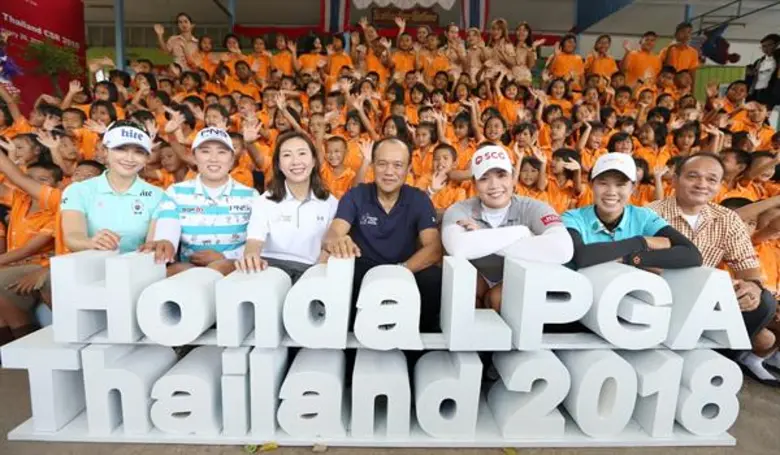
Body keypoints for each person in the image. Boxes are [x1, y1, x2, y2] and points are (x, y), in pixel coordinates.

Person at [647, 153, 778, 385]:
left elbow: (748, 269)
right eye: (693, 176)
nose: (702, 184)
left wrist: (752, 287)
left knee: (764, 302)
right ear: (675, 180)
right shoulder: (650, 213)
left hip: (702, 306)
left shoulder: (727, 220)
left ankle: (710, 364)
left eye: (711, 179)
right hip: (658, 298)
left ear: (719, 185)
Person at [321, 137, 443, 332]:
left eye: (397, 165)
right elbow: (333, 232)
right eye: (382, 164)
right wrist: (337, 241)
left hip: (405, 269)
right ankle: (349, 337)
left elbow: (434, 248)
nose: (389, 172)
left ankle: (418, 338)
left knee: (433, 278)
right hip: (363, 270)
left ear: (408, 168)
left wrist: (399, 271)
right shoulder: (356, 195)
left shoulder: (419, 199)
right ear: (373, 166)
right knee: (343, 272)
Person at [441, 145, 573, 311]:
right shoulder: (459, 209)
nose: (494, 185)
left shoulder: (534, 207)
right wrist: (524, 233)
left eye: (501, 175)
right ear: (474, 183)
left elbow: (563, 249)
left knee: (500, 299)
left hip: (517, 279)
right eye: (484, 178)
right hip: (476, 280)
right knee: (464, 293)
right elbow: (458, 246)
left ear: (512, 177)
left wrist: (481, 235)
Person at [139, 127, 258, 276]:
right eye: (205, 151)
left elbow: (258, 243)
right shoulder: (175, 192)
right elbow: (167, 231)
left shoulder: (251, 196)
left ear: (232, 159)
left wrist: (225, 258)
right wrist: (166, 243)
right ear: (194, 157)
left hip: (236, 273)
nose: (213, 158)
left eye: (222, 152)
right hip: (189, 272)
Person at [563, 153, 702, 270]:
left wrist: (631, 259)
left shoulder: (644, 216)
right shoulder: (572, 218)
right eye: (603, 183)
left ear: (633, 188)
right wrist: (641, 242)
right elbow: (580, 256)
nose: (611, 192)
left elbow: (692, 255)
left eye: (620, 185)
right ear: (591, 185)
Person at [235, 131, 338, 282]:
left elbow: (329, 246)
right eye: (287, 155)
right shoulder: (264, 201)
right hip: (270, 269)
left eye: (302, 153)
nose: (296, 161)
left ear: (314, 160)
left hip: (310, 270)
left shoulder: (330, 203)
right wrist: (251, 255)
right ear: (278, 165)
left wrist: (313, 277)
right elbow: (254, 241)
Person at [61, 121, 163, 253]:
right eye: (121, 149)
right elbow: (72, 236)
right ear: (105, 151)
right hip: (89, 264)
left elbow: (152, 247)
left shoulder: (158, 195)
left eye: (139, 152)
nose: (129, 158)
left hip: (137, 264)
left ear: (147, 158)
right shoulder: (77, 190)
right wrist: (91, 243)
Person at [746, 33, 780, 109]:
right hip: (754, 94)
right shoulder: (759, 61)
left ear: (777, 45)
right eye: (763, 46)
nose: (766, 48)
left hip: (771, 96)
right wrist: (750, 75)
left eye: (769, 45)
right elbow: (751, 79)